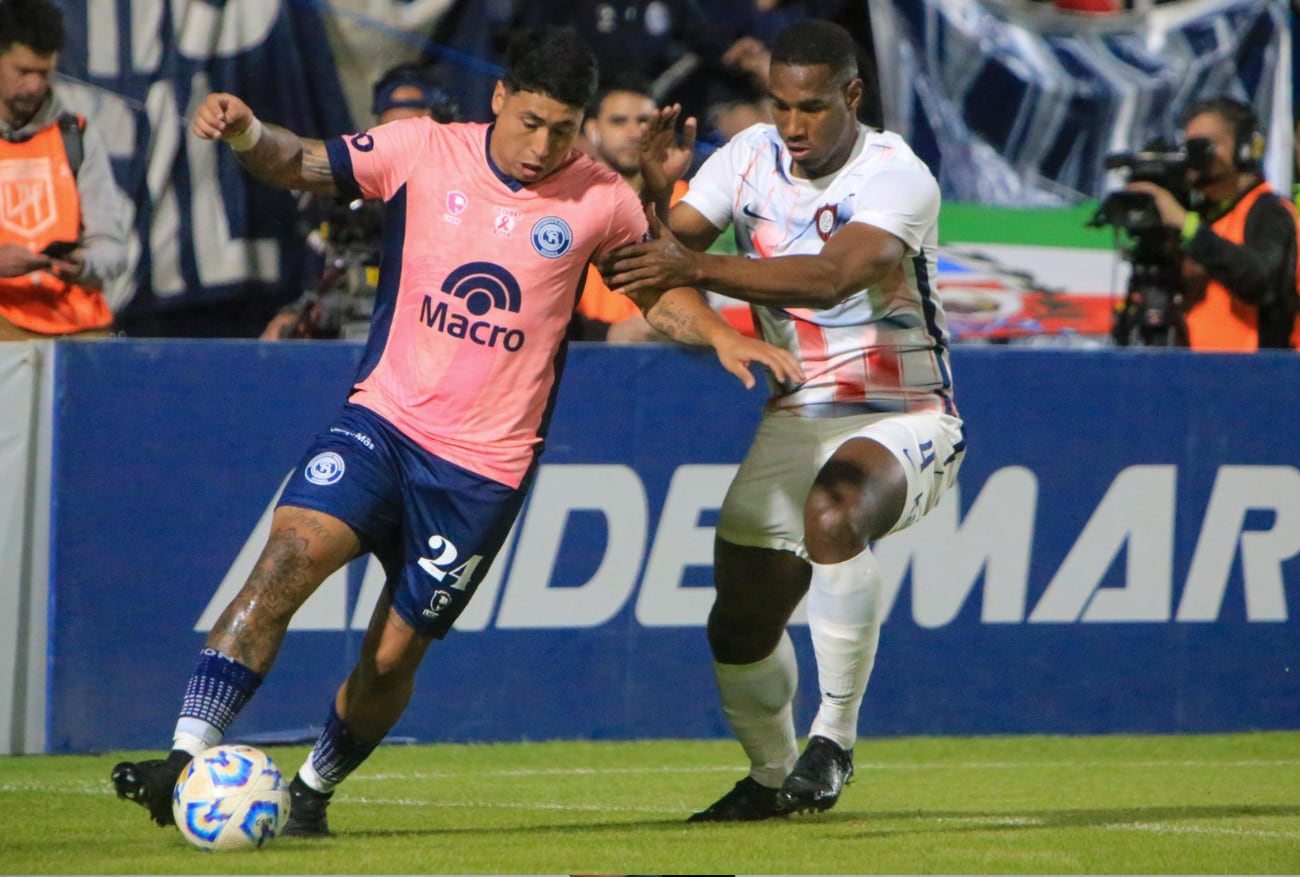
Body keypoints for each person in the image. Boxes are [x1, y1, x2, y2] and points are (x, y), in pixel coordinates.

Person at [110, 25, 799, 837]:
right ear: (499, 97)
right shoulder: (423, 151)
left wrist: (720, 333)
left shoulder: (601, 198)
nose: (544, 146)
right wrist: (247, 131)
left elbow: (652, 291)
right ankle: (185, 758)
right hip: (383, 422)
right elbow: (300, 161)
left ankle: (312, 792)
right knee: (284, 563)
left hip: (482, 471)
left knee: (394, 655)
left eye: (564, 129)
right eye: (531, 121)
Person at [604, 19, 965, 821]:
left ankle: (833, 741)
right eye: (780, 105)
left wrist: (694, 263)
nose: (793, 125)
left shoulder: (896, 174)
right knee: (738, 621)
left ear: (853, 96)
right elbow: (644, 264)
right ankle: (773, 776)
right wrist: (652, 194)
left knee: (833, 511)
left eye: (811, 107)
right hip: (798, 409)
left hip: (905, 411)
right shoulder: (747, 157)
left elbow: (836, 276)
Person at [261, 64, 461, 341]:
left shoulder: (466, 194)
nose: (402, 147)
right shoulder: (363, 194)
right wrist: (299, 312)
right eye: (393, 135)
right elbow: (341, 272)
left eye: (413, 133)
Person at [1125, 97, 1299, 350]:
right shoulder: (1201, 215)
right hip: (1194, 372)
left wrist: (1188, 227)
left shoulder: (1268, 211)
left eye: (1207, 145)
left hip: (1253, 375)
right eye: (1190, 146)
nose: (1196, 157)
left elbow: (1262, 281)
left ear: (1244, 149)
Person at [0, 0, 129, 340]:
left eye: (43, 73)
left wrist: (84, 265)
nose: (32, 86)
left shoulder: (76, 135)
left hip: (80, 327)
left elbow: (112, 247)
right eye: (22, 71)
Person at [572, 76, 672, 343]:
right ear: (592, 129)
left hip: (674, 355)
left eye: (643, 121)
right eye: (618, 121)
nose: (634, 132)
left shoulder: (688, 198)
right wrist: (604, 333)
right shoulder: (566, 199)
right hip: (587, 355)